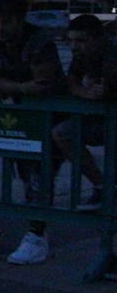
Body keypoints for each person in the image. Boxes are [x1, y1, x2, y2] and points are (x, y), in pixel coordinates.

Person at [0, 0, 63, 265]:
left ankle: (37, 233)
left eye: (7, 22)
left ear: (20, 21)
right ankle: (37, 227)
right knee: (27, 173)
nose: (0, 29)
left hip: (50, 117)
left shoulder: (39, 40)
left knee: (41, 174)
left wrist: (11, 87)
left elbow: (43, 83)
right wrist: (19, 88)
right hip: (20, 115)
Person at [52, 14, 117, 211]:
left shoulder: (111, 56)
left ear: (98, 39)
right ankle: (103, 186)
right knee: (62, 133)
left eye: (81, 40)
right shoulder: (81, 57)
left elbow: (103, 89)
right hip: (102, 119)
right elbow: (71, 81)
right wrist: (84, 91)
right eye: (70, 40)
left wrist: (91, 91)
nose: (73, 46)